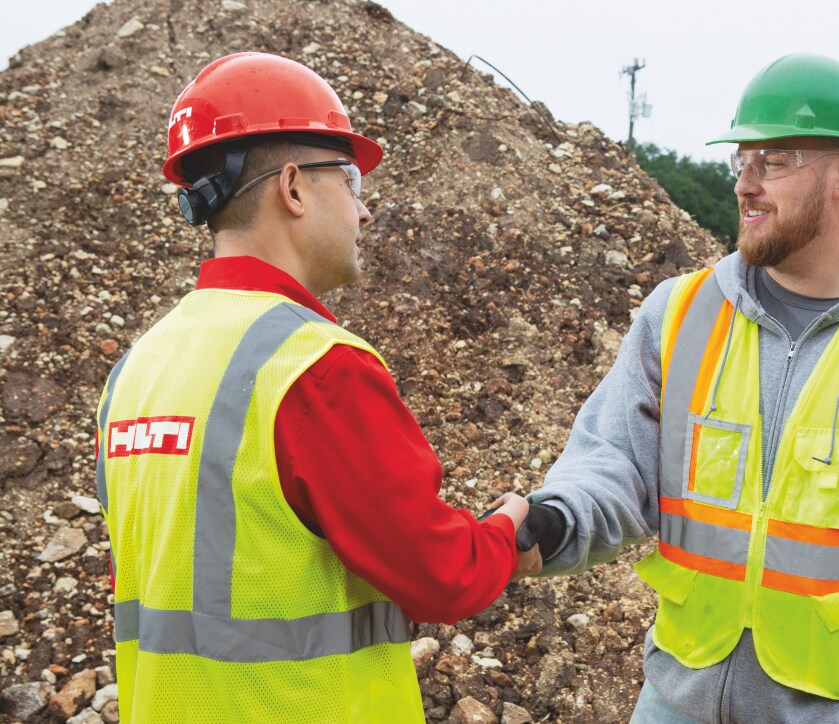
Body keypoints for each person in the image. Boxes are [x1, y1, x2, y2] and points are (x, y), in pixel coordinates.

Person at [519, 53, 839, 722]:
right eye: (742, 161)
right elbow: (614, 465)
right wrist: (550, 522)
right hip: (680, 700)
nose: (745, 184)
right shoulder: (678, 314)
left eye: (775, 161)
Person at [93, 52, 539, 723]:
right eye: (352, 182)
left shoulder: (136, 371)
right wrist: (509, 529)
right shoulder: (317, 370)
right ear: (294, 187)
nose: (363, 213)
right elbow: (442, 575)